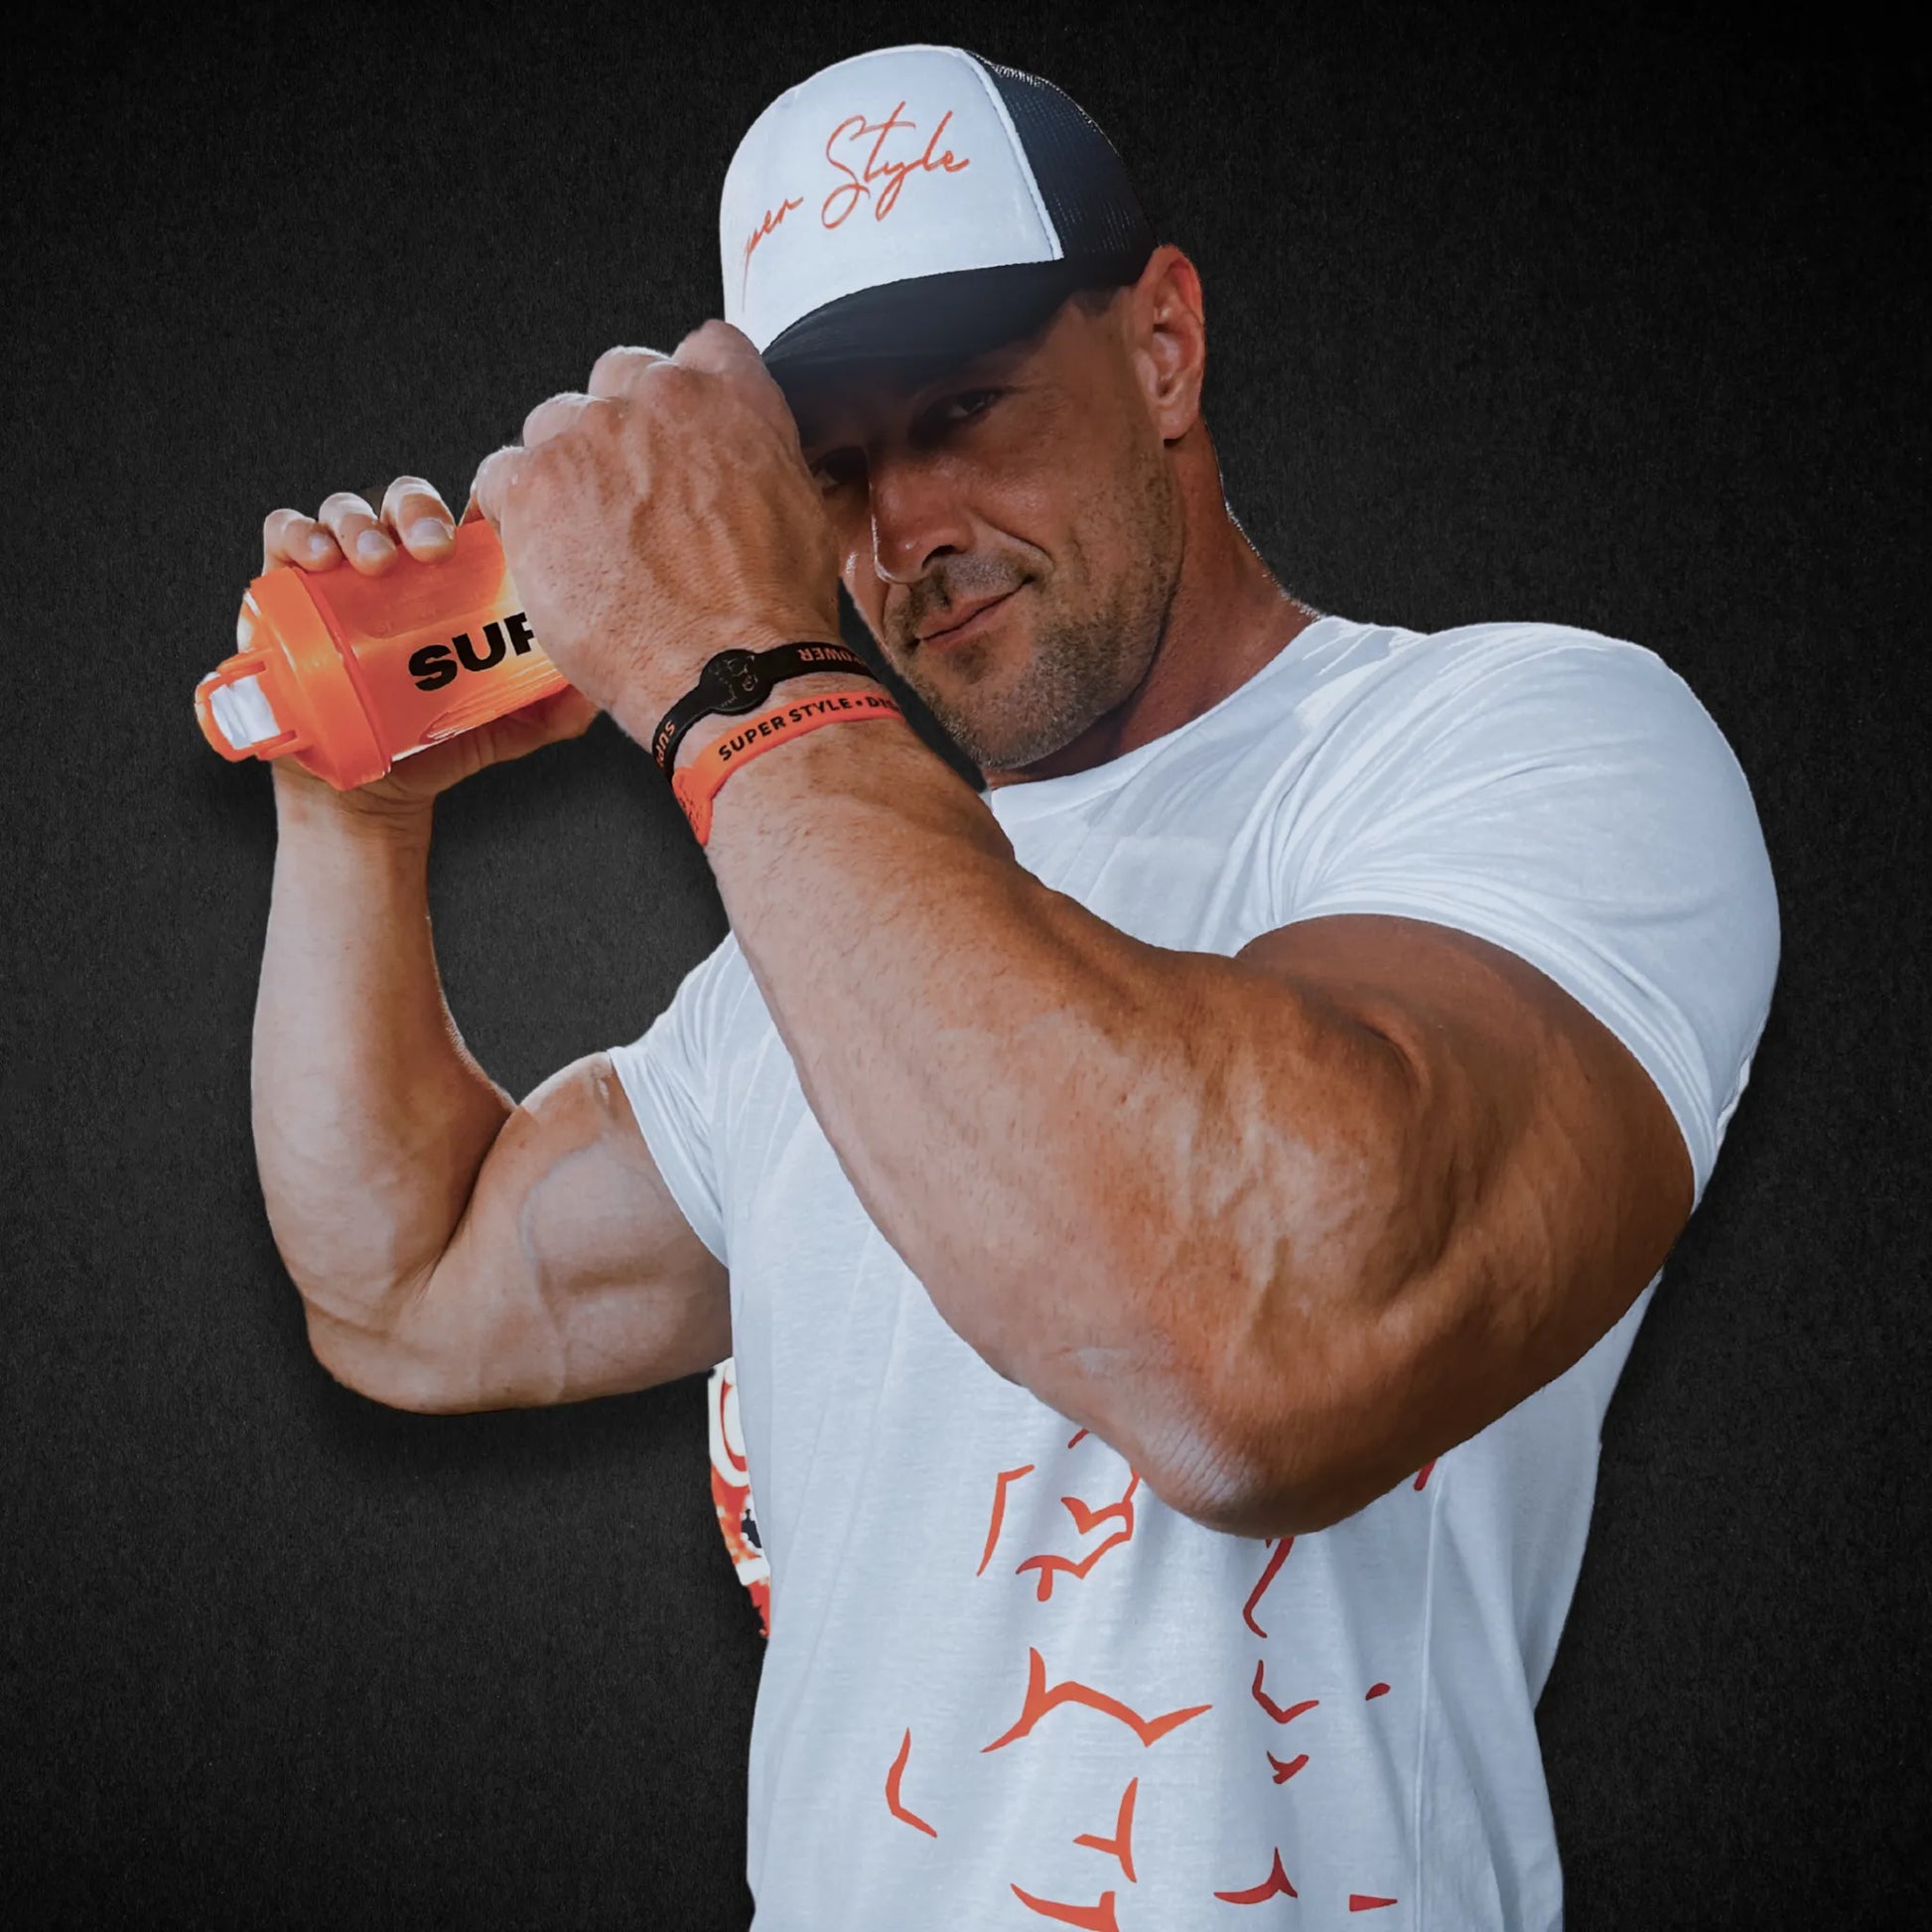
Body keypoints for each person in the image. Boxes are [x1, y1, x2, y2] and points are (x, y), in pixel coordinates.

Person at [247, 44, 1779, 1930]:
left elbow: (1261, 1352)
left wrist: (738, 668)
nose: (900, 532)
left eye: (964, 409)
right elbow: (403, 1287)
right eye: (822, 468)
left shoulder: (1513, 747)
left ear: (1162, 350)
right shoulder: (822, 926)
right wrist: (355, 825)